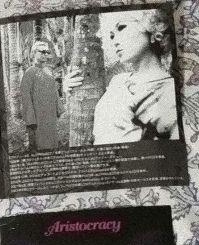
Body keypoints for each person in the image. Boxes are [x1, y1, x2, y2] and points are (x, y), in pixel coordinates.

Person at [66, 8, 179, 145]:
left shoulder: (170, 92)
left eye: (121, 27)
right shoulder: (118, 80)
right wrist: (71, 89)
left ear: (152, 32)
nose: (115, 41)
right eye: (112, 36)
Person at [16, 40, 60, 151]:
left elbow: (55, 93)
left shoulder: (49, 73)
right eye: (42, 52)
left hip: (50, 118)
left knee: (52, 146)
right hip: (37, 120)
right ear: (34, 53)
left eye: (47, 52)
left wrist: (58, 111)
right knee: (39, 148)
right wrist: (30, 121)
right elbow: (25, 97)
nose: (45, 54)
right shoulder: (29, 73)